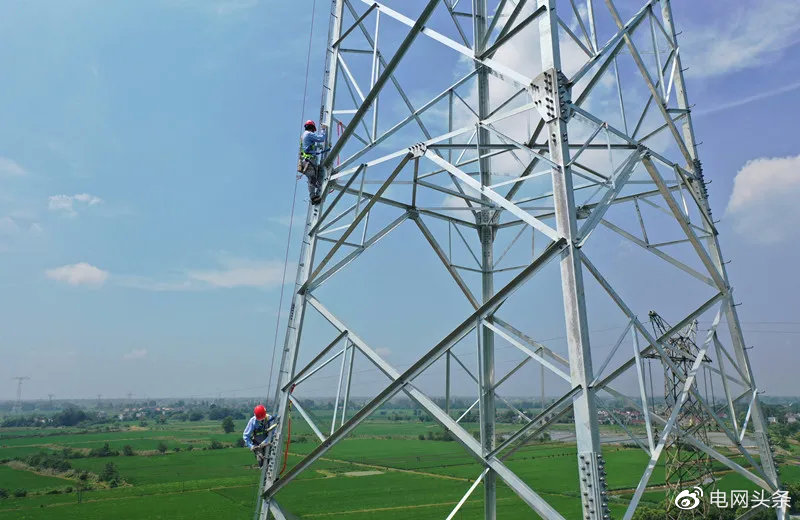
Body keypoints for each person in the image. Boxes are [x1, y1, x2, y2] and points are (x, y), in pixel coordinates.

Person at [298, 120, 328, 205]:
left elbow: (309, 147)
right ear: (312, 128)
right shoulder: (309, 134)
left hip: (306, 161)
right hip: (310, 161)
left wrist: (318, 147)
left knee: (313, 178)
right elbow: (321, 138)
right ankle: (314, 197)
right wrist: (323, 129)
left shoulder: (303, 136)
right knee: (313, 178)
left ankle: (314, 195)